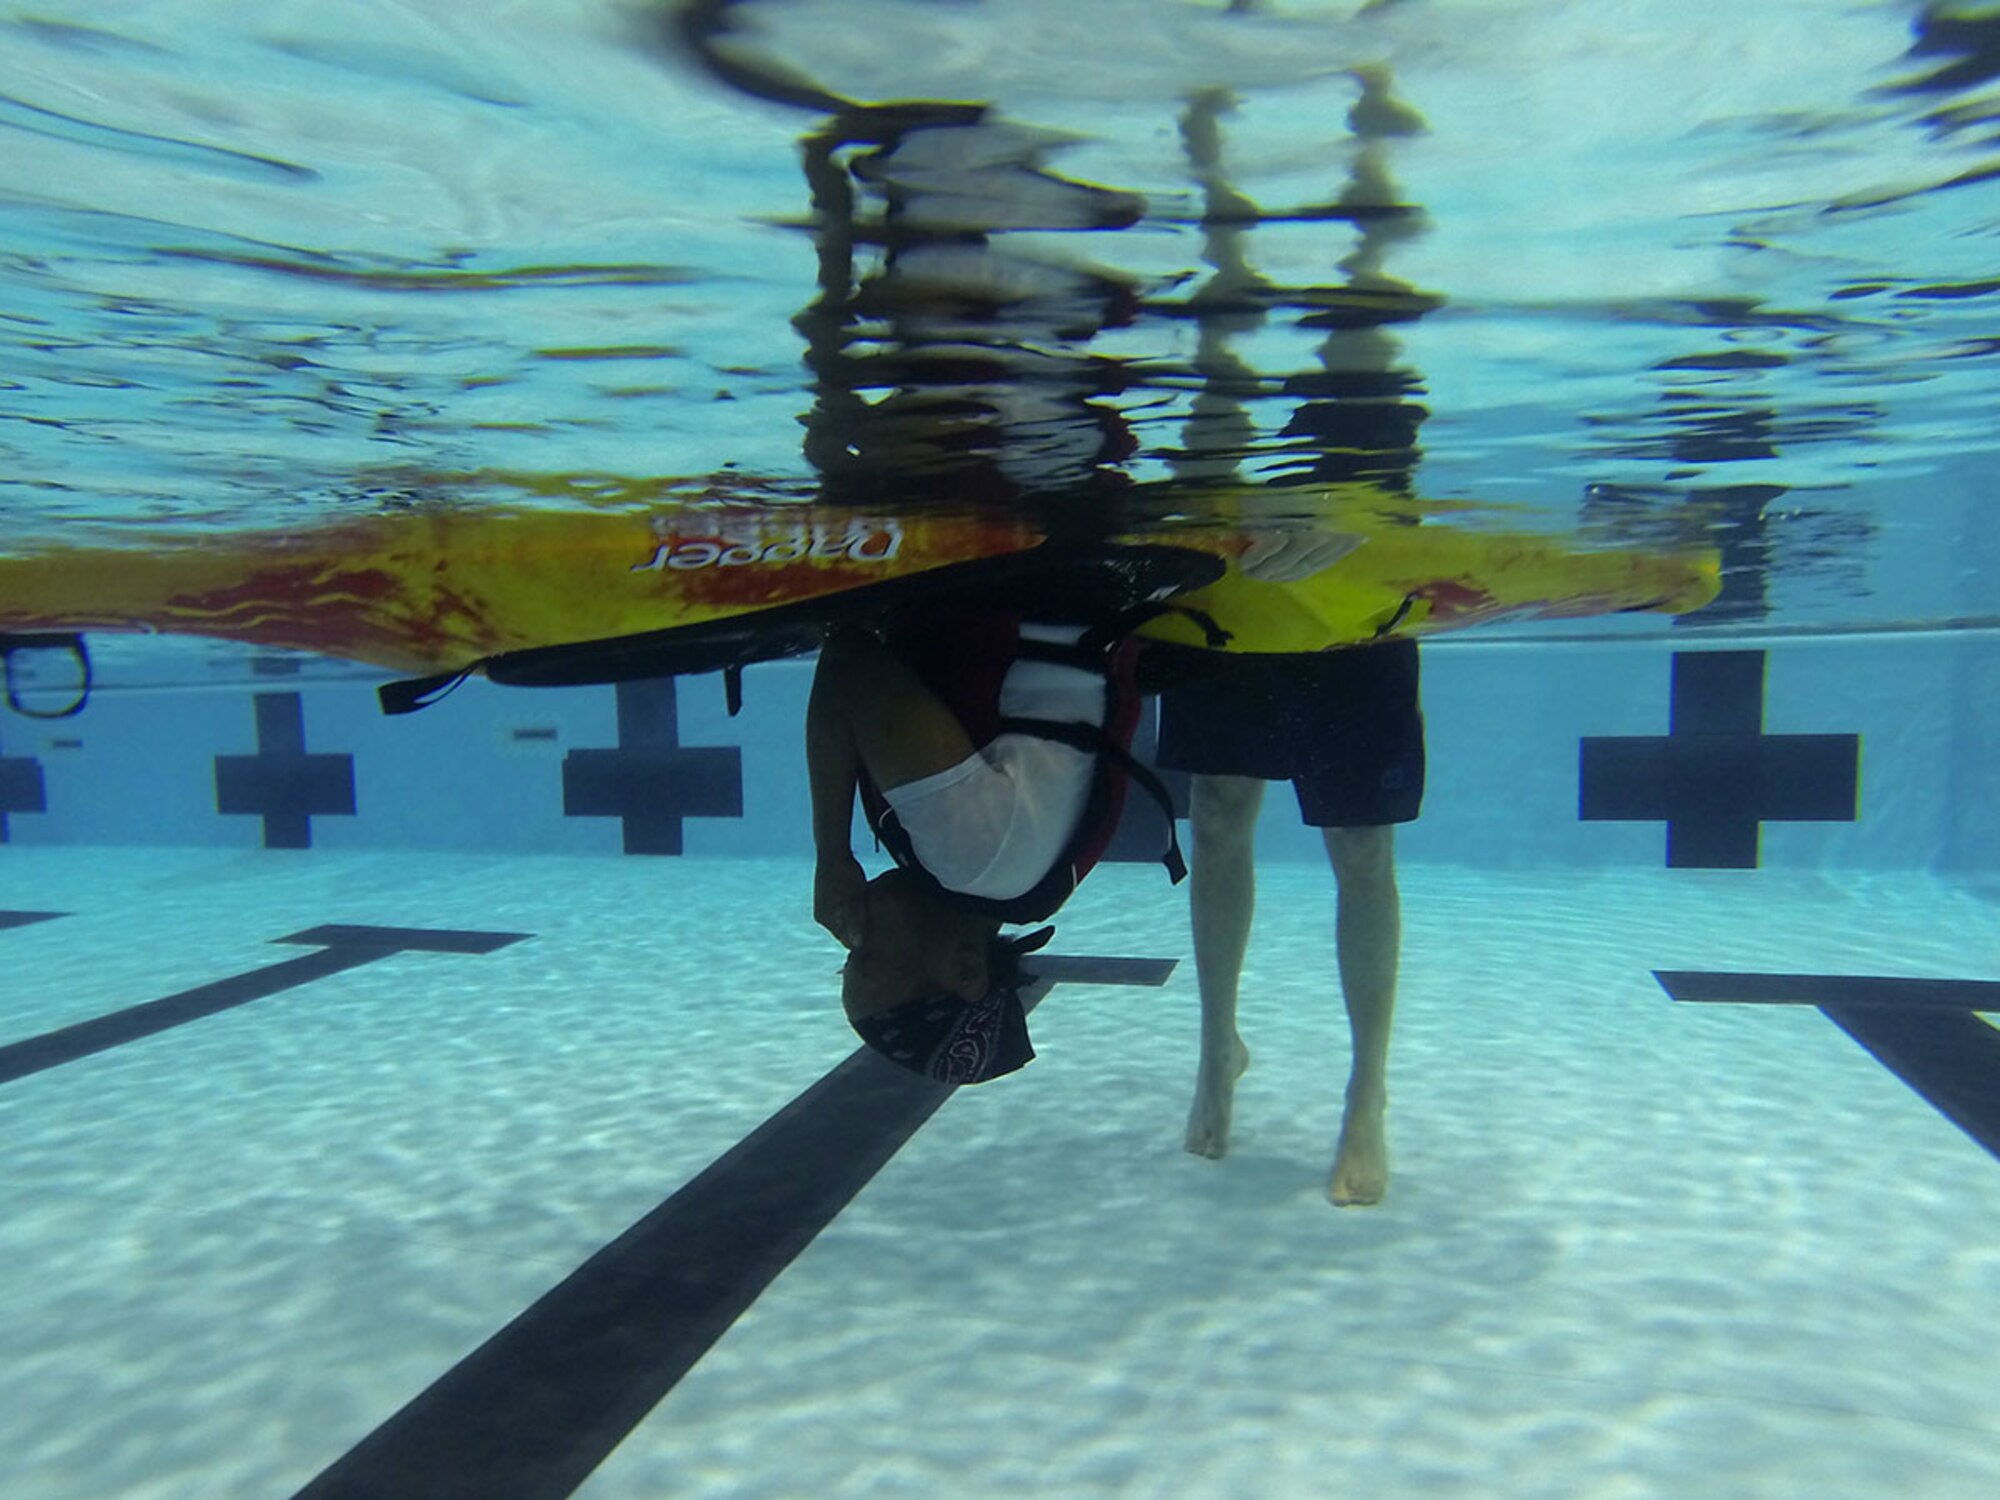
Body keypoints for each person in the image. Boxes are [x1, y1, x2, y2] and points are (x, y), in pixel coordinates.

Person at [1153, 626, 1423, 1206]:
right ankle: (1217, 1048)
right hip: (1234, 595)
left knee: (1361, 841)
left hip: (1358, 599)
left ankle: (1367, 1092)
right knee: (1216, 809)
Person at [806, 611, 1124, 1085]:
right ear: (967, 969)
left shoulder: (1005, 884)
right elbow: (848, 657)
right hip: (1030, 581)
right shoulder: (974, 861)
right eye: (865, 954)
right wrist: (832, 853)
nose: (853, 927)